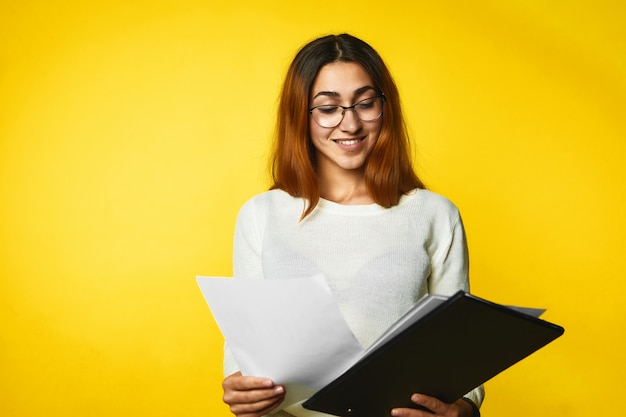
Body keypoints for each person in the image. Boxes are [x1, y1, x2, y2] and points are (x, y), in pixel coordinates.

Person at [220, 33, 484, 417]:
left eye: (365, 103)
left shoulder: (434, 214)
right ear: (300, 115)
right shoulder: (262, 214)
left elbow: (459, 351)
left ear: (384, 105)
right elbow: (244, 356)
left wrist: (463, 408)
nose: (350, 123)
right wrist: (244, 392)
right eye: (327, 108)